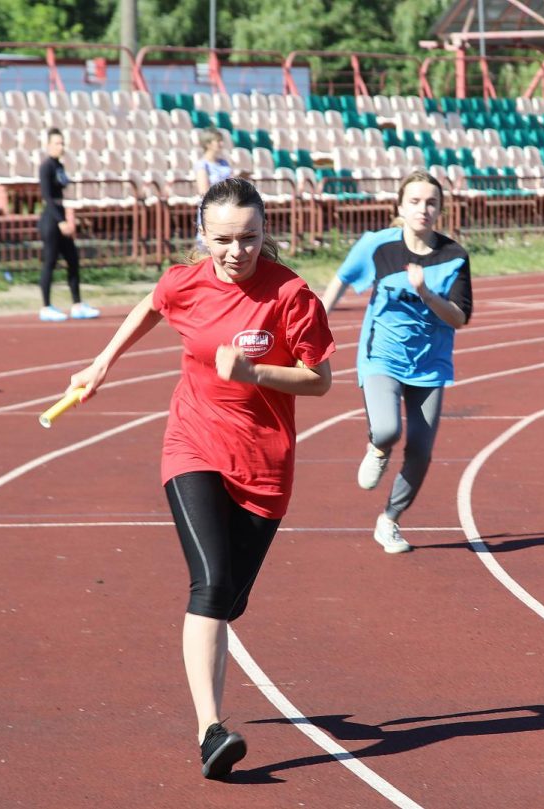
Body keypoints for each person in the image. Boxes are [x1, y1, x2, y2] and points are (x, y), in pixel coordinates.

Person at [66, 177, 336, 779]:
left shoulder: (292, 295)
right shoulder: (186, 281)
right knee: (210, 586)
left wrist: (256, 372)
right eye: (222, 240)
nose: (236, 251)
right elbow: (151, 305)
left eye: (249, 238)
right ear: (202, 236)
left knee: (229, 601)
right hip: (194, 442)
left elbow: (319, 381)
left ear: (266, 234)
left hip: (265, 463)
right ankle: (210, 730)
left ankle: (213, 691)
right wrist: (102, 363)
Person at [320, 169, 472, 554]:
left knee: (421, 451)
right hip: (381, 355)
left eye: (432, 202)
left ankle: (389, 521)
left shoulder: (454, 257)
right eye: (416, 201)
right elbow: (340, 280)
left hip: (431, 364)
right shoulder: (377, 246)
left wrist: (425, 293)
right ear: (400, 206)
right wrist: (315, 325)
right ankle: (378, 448)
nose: (424, 209)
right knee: (388, 430)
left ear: (441, 208)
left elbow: (459, 317)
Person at [38, 128, 99, 322]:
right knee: (50, 262)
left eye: (62, 143)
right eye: (57, 143)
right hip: (51, 218)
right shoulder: (46, 167)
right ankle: (46, 306)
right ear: (48, 145)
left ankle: (77, 304)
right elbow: (47, 196)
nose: (60, 146)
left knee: (73, 260)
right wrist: (61, 220)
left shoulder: (59, 166)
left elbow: (64, 187)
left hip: (61, 213)